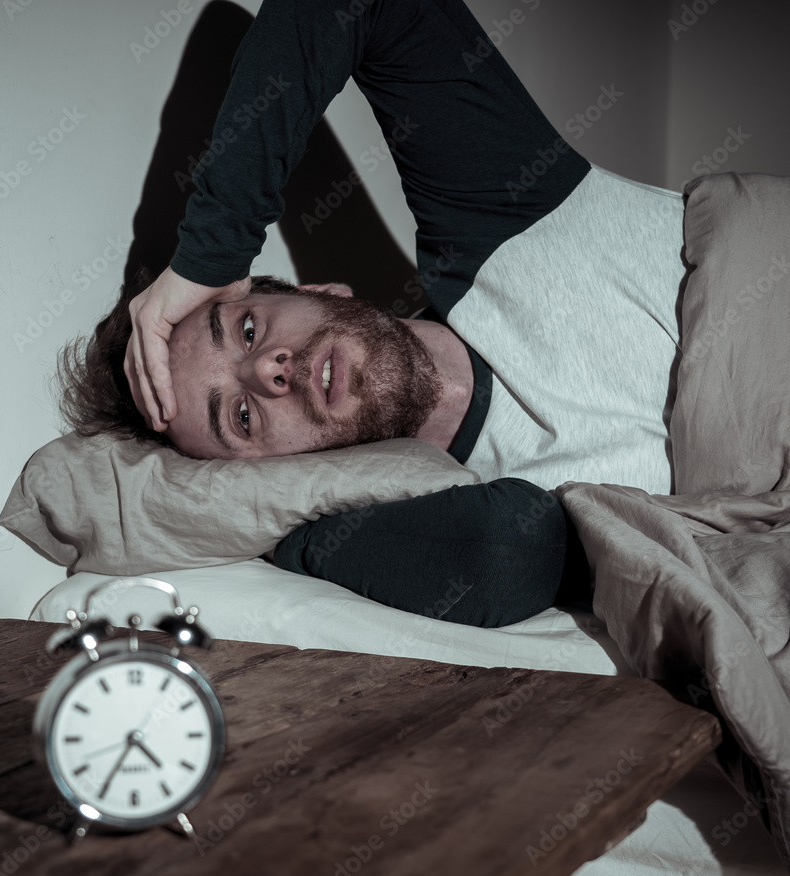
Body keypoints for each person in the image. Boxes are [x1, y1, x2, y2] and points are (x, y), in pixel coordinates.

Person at [68, 0, 690, 625]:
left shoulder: (497, 222)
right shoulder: (483, 510)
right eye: (242, 416)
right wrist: (285, 527)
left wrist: (211, 252)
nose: (267, 372)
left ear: (322, 290)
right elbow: (504, 558)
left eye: (247, 329)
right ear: (277, 475)